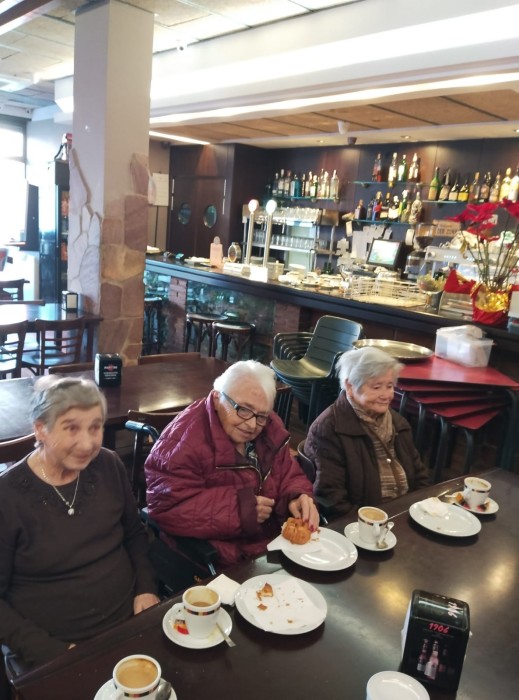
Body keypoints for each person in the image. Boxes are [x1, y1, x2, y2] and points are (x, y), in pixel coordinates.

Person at [0, 376, 159, 668]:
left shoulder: (109, 464)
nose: (87, 443)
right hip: (54, 648)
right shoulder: (7, 497)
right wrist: (51, 652)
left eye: (95, 427)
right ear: (41, 429)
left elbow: (134, 534)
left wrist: (146, 588)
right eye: (71, 428)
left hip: (129, 622)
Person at [145, 360, 319, 566]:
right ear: (217, 398)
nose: (252, 424)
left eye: (261, 416)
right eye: (243, 410)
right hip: (221, 560)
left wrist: (296, 496)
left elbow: (288, 471)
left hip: (271, 549)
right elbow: (165, 508)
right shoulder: (181, 444)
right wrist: (240, 510)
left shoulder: (270, 427)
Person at [305, 346, 429, 519]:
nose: (386, 395)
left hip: (406, 515)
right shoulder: (328, 429)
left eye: (389, 386)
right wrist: (372, 523)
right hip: (363, 523)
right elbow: (331, 498)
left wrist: (422, 511)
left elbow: (420, 476)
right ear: (350, 386)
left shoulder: (398, 424)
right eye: (376, 387)